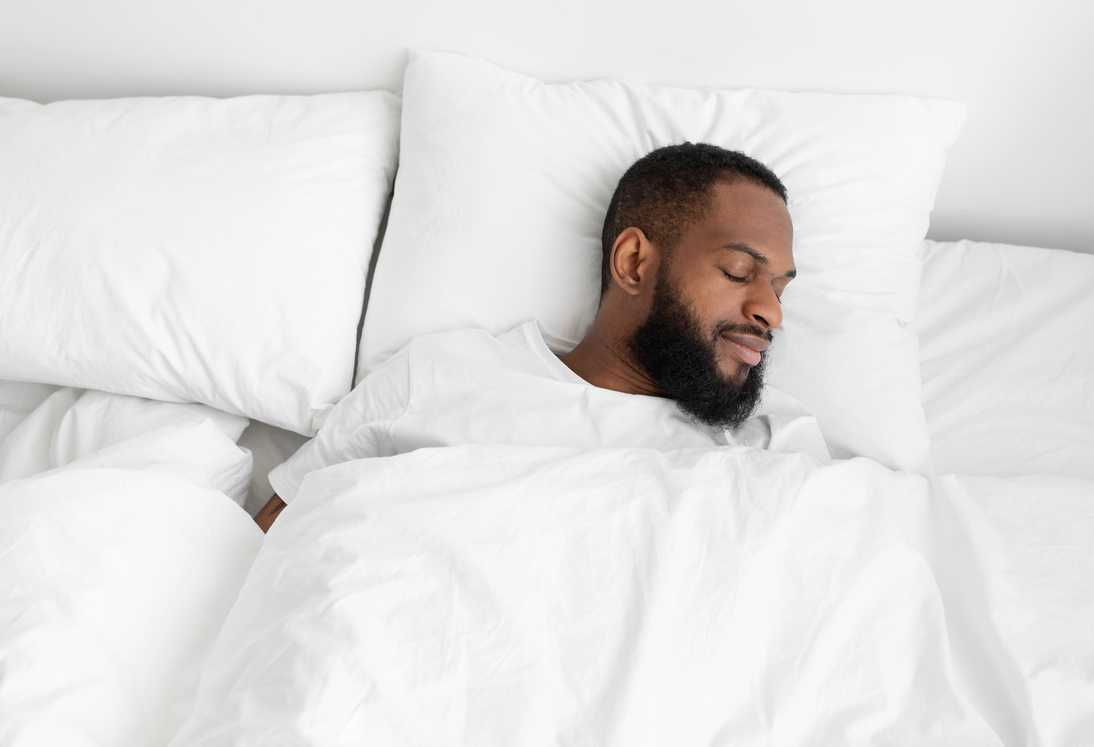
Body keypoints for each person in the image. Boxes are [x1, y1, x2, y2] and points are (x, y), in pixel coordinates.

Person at [254, 142, 817, 532]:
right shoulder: (440, 376)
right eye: (739, 273)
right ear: (634, 262)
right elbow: (274, 540)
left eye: (781, 289)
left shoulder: (777, 441)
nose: (771, 311)